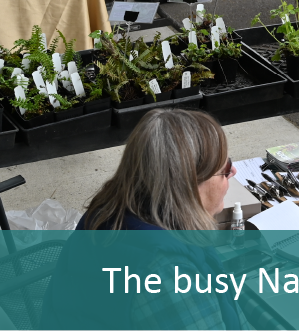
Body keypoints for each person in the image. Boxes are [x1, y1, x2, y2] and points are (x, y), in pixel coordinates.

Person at [40, 110, 240, 330]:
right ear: (190, 185)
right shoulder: (168, 272)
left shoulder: (107, 212)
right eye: (225, 168)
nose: (234, 171)